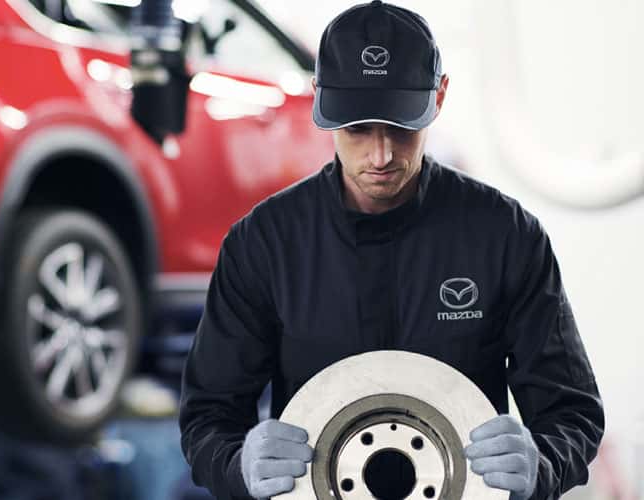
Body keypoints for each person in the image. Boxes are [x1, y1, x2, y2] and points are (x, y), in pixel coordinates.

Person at [178, 1, 604, 499]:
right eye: (358, 128)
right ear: (321, 100)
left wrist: (542, 463)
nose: (380, 155)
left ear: (439, 96)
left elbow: (572, 413)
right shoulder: (264, 244)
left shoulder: (506, 236)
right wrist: (237, 464)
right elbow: (208, 417)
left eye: (401, 127)